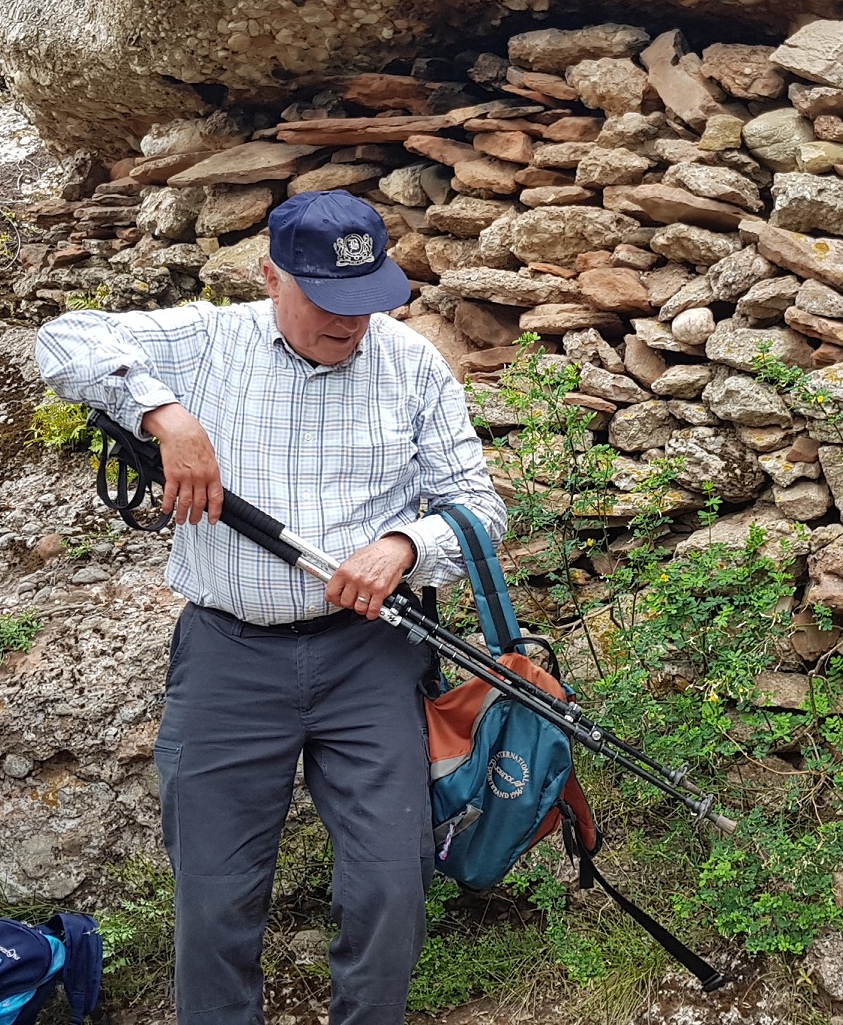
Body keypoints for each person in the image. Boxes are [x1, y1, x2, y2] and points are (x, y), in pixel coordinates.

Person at [35, 190, 506, 1025]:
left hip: (370, 655)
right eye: (327, 299)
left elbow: (478, 506)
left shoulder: (410, 363)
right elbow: (61, 337)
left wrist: (403, 546)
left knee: (392, 884)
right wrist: (164, 413)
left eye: (365, 300)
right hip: (229, 655)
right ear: (271, 278)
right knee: (215, 894)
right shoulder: (209, 340)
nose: (350, 321)